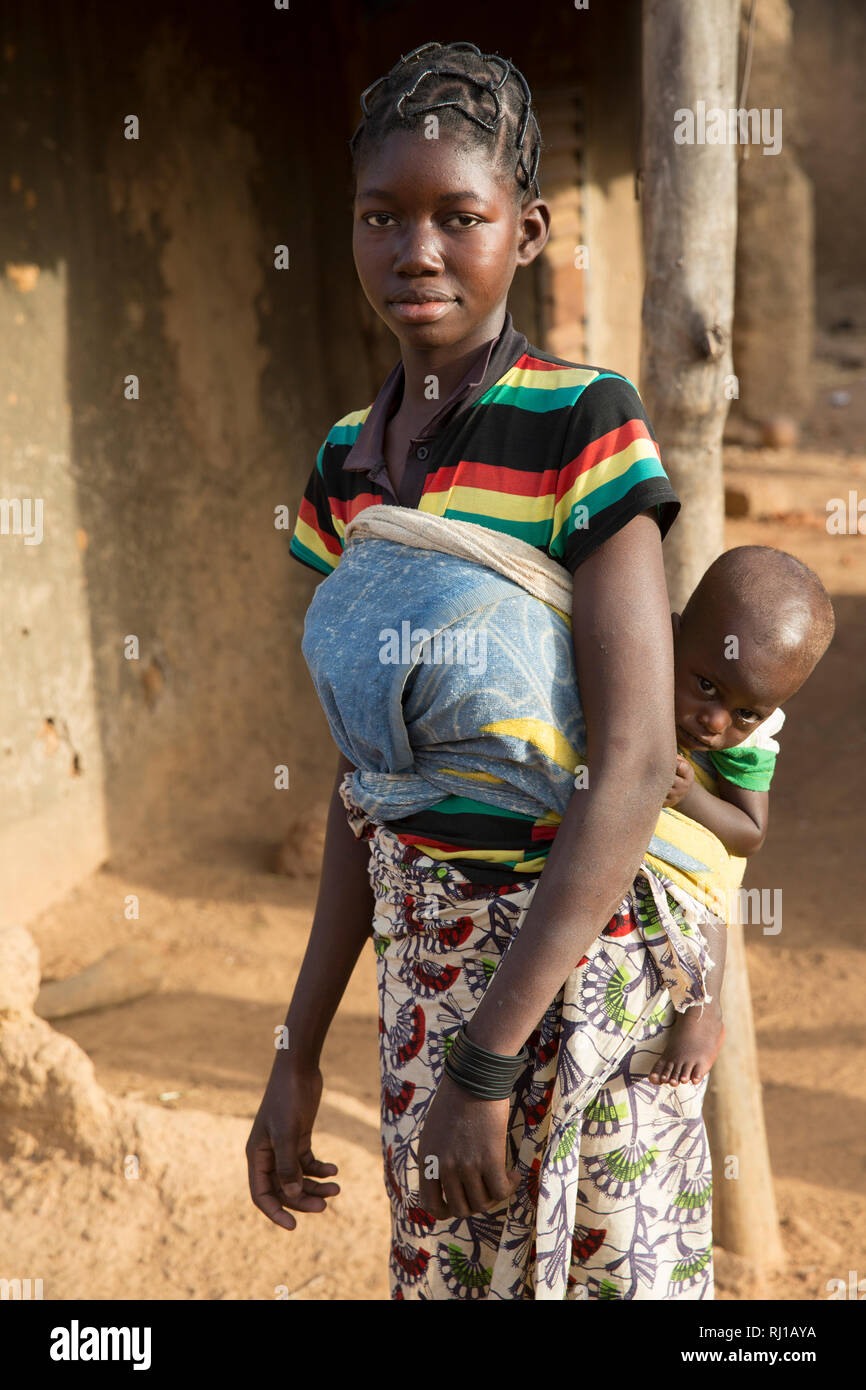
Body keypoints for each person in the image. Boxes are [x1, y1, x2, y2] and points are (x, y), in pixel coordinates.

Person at [248, 40, 727, 1301]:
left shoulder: (583, 423)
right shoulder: (344, 464)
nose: (417, 250)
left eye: (458, 216)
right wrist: (297, 1048)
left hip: (576, 986)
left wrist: (487, 1062)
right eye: (381, 217)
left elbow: (630, 762)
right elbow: (372, 778)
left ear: (525, 229)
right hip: (424, 977)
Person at [648, 545, 835, 1088]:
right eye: (705, 685)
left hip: (704, 853)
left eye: (746, 714)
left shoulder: (748, 744)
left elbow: (749, 834)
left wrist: (690, 798)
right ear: (673, 634)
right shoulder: (643, 650)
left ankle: (703, 1014)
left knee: (711, 885)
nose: (713, 721)